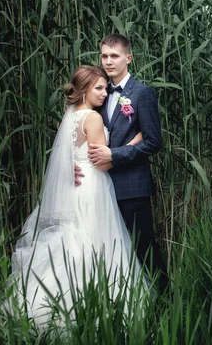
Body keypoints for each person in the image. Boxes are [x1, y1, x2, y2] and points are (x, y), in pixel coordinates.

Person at [6, 66, 145, 328]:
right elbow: (103, 162)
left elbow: (66, 157)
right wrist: (133, 143)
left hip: (74, 188)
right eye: (99, 88)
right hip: (92, 186)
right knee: (96, 243)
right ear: (83, 91)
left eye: (105, 87)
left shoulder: (69, 117)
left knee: (75, 240)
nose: (105, 93)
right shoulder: (92, 118)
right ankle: (95, 304)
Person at [79, 34, 167, 292]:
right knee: (111, 249)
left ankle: (164, 300)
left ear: (128, 58)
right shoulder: (99, 91)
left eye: (114, 56)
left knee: (144, 247)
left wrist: (114, 155)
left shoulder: (142, 94)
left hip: (132, 188)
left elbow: (153, 142)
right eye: (104, 56)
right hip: (100, 186)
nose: (108, 61)